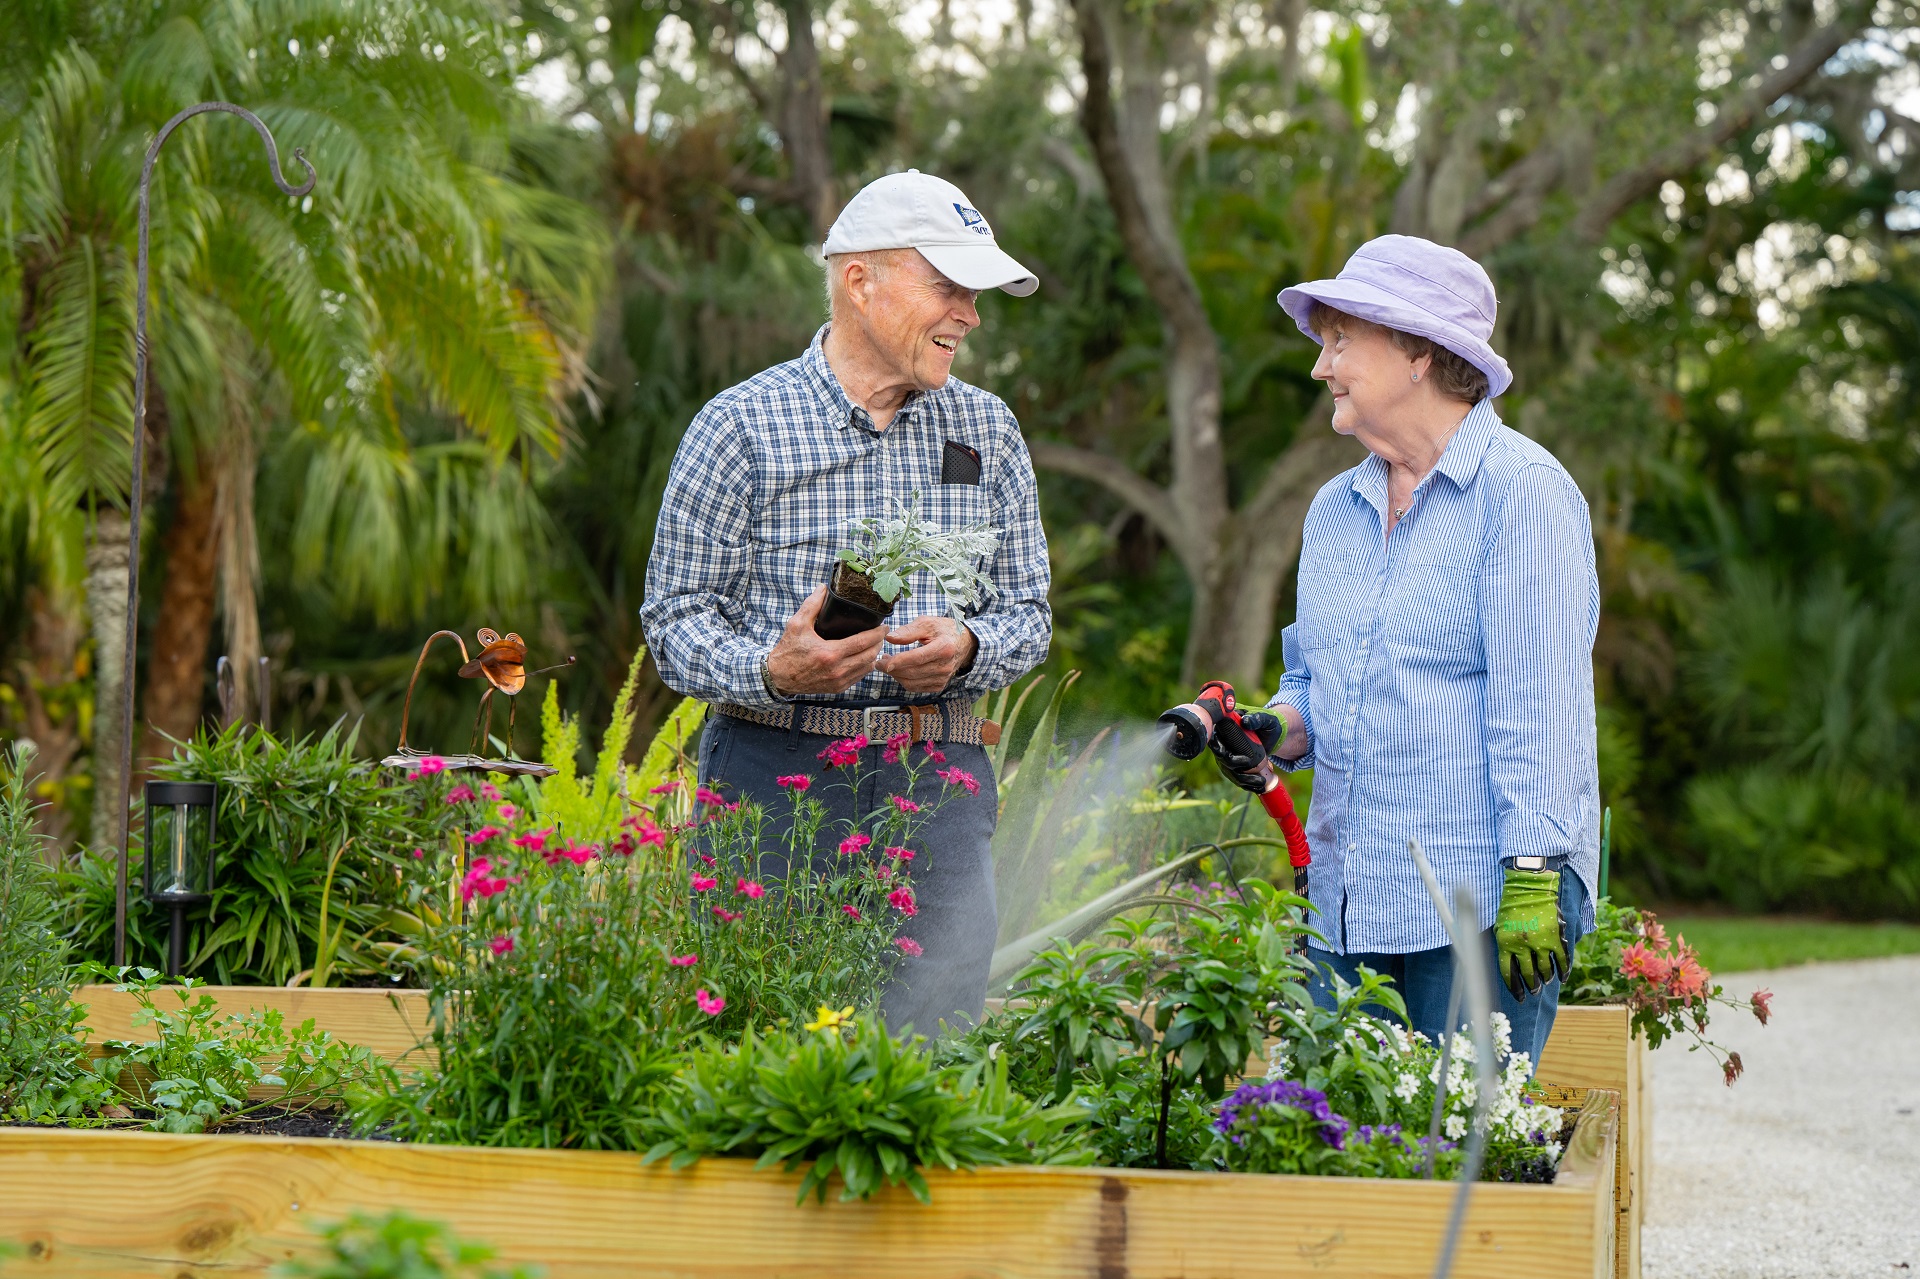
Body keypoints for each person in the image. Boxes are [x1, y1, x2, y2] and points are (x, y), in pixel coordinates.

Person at [640, 170, 1051, 1036]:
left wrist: (971, 648)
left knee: (937, 1058)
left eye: (975, 295)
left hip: (935, 785)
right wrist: (771, 671)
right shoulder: (740, 426)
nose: (970, 316)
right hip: (773, 780)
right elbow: (672, 625)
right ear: (861, 281)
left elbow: (1030, 615)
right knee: (761, 1048)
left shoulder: (989, 430)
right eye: (949, 288)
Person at [1211, 234, 1599, 1069]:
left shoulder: (1522, 497)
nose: (1323, 367)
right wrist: (1271, 727)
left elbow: (1544, 706)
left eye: (1341, 340)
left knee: (1463, 1159)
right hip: (1350, 898)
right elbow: (1316, 684)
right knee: (1344, 1161)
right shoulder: (1334, 511)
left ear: (1420, 352)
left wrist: (1534, 870)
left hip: (1485, 902)